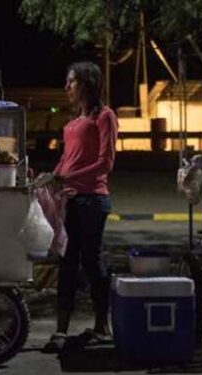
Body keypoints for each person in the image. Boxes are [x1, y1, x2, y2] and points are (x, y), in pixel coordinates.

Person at [42, 61, 118, 352]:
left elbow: (105, 163)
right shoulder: (73, 123)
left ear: (87, 83)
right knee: (67, 264)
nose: (66, 88)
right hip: (70, 200)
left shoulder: (105, 116)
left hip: (93, 199)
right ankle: (61, 330)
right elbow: (66, 160)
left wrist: (64, 176)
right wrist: (48, 178)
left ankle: (102, 326)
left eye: (71, 82)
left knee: (93, 261)